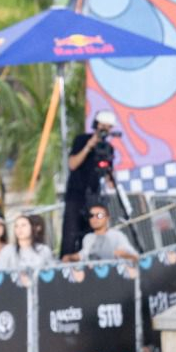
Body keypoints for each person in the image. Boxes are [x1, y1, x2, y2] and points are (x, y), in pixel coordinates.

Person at [63, 110, 118, 258]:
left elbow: (109, 179)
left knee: (90, 235)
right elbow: (72, 164)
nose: (104, 130)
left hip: (94, 198)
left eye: (108, 127)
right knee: (70, 234)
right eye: (102, 126)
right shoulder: (81, 140)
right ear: (96, 125)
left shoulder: (107, 149)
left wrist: (110, 174)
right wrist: (89, 146)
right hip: (75, 196)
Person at [68, 201, 139, 263]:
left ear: (107, 217)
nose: (94, 219)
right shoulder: (88, 238)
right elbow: (83, 255)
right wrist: (69, 258)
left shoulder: (117, 236)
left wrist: (122, 254)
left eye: (99, 215)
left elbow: (134, 256)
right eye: (91, 216)